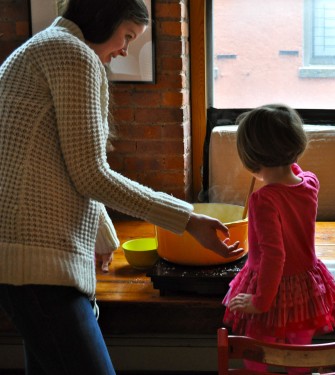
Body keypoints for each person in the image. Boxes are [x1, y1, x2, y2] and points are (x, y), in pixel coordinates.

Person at [0, 1, 242, 374]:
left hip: (25, 261)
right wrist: (188, 219)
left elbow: (64, 166)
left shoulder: (43, 47)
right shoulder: (72, 54)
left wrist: (102, 237)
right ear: (104, 18)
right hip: (39, 265)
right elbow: (91, 174)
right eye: (127, 36)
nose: (125, 50)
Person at [222, 104, 335, 373]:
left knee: (256, 353)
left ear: (251, 157)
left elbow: (274, 256)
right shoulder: (310, 182)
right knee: (299, 355)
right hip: (305, 286)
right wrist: (286, 160)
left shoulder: (263, 199)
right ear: (295, 146)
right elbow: (299, 172)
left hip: (270, 288)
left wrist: (259, 302)